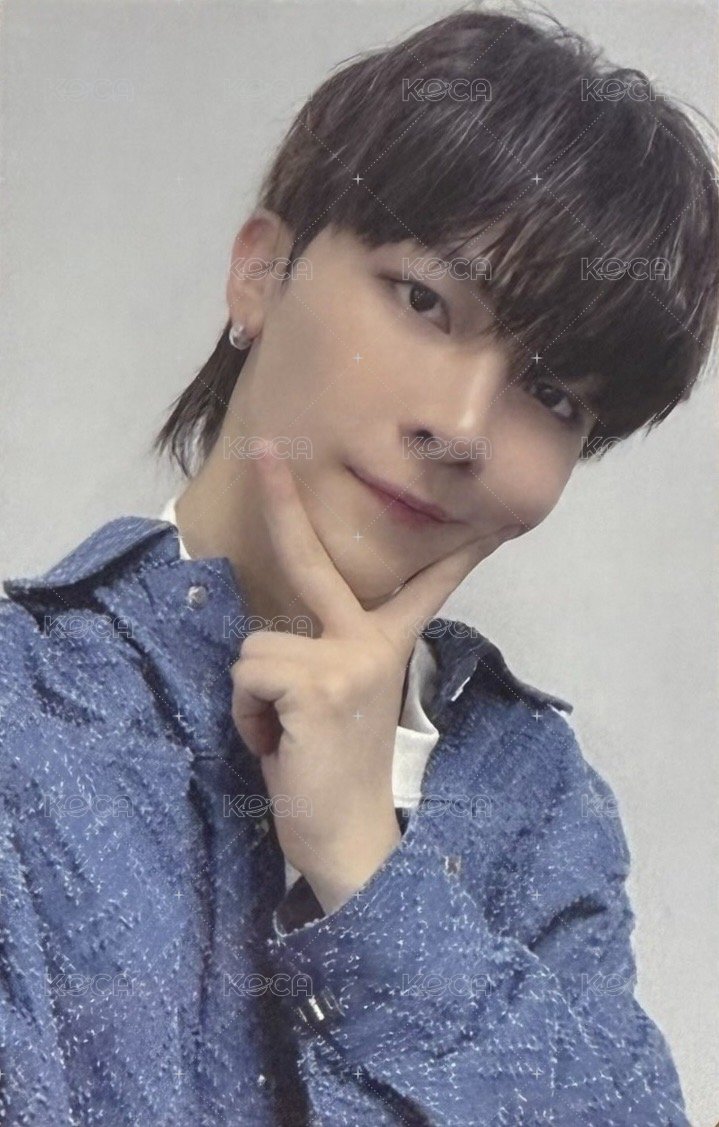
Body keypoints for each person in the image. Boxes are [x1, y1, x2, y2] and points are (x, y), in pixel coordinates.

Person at [1, 7, 716, 1124]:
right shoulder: (24, 714)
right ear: (259, 274)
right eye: (425, 300)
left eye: (551, 392)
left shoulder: (536, 796)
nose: (461, 424)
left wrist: (365, 871)